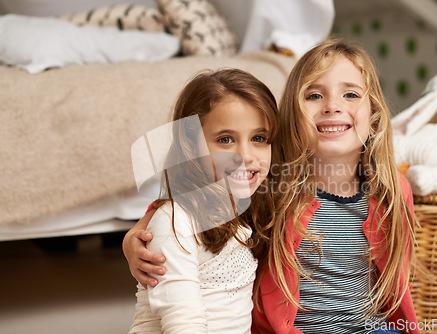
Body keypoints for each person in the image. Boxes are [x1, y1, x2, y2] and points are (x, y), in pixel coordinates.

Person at [124, 39, 420, 334]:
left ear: (375, 114)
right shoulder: (274, 183)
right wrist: (135, 236)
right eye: (314, 95)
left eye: (351, 94)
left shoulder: (391, 191)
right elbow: (191, 202)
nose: (333, 106)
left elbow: (395, 288)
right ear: (292, 115)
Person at [127, 68, 279, 334]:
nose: (245, 155)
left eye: (258, 138)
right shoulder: (176, 221)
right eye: (225, 139)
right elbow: (183, 324)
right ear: (189, 145)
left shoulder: (246, 207)